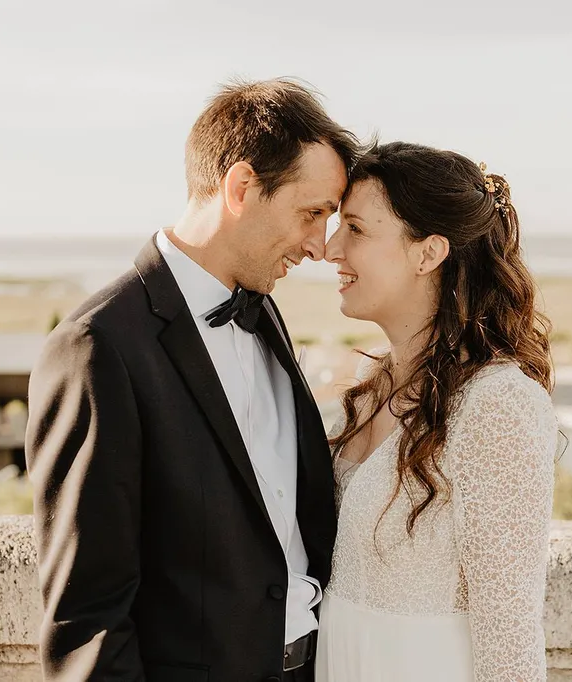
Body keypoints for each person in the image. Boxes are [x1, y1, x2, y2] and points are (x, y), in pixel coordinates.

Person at [25, 78, 360, 682]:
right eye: (312, 214)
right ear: (241, 187)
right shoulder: (96, 346)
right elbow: (87, 616)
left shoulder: (264, 312)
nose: (319, 246)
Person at [316, 142, 559, 681]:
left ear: (427, 254)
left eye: (355, 229)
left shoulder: (499, 404)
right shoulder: (371, 385)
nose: (331, 249)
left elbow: (511, 634)